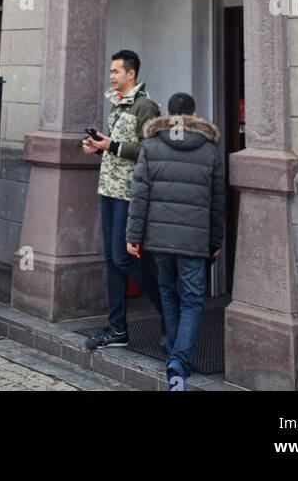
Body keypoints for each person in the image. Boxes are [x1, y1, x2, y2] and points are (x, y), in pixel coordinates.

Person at [126, 91, 225, 391]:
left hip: (159, 239)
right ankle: (179, 361)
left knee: (168, 293)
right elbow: (217, 202)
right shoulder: (210, 151)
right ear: (193, 116)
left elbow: (139, 194)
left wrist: (133, 236)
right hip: (194, 241)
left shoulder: (152, 146)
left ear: (167, 115)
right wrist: (215, 238)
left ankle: (173, 350)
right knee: (193, 300)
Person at [81, 50, 163, 350]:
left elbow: (151, 150)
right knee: (111, 260)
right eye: (111, 71)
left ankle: (168, 308)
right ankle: (117, 330)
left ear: (132, 73)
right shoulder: (116, 105)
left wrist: (112, 145)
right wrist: (99, 147)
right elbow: (119, 148)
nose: (112, 76)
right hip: (109, 190)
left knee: (123, 258)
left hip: (130, 193)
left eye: (116, 71)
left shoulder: (147, 107)